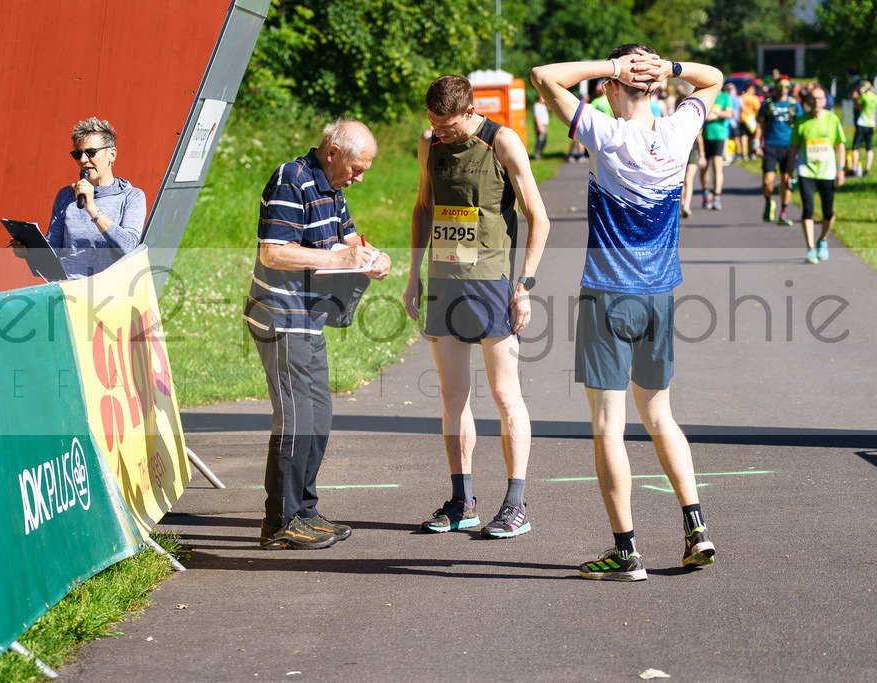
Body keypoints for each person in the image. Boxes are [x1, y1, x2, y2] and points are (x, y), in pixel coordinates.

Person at [532, 45, 722, 581]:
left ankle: (626, 551)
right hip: (660, 294)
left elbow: (544, 74)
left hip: (608, 294)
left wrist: (611, 67)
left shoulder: (606, 133)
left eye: (610, 82)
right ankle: (696, 529)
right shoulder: (679, 130)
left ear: (616, 87)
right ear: (656, 87)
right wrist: (671, 70)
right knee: (660, 416)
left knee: (608, 427)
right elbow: (714, 78)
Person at [404, 74, 550, 539]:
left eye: (448, 126)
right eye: (434, 124)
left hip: (493, 284)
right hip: (445, 281)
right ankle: (461, 499)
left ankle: (515, 503)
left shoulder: (502, 142)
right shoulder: (431, 144)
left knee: (507, 396)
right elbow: (424, 207)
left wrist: (524, 285)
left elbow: (538, 218)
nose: (440, 133)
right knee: (452, 396)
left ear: (471, 111)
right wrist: (413, 273)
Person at [243, 119, 391, 550]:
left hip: (309, 317)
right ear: (332, 153)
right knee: (295, 419)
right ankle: (280, 522)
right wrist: (343, 261)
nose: (360, 178)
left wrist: (371, 256)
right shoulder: (293, 179)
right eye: (357, 168)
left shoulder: (333, 188)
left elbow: (348, 241)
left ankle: (304, 509)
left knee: (319, 415)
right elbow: (274, 251)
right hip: (279, 315)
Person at [11, 117, 145, 278]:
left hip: (107, 290)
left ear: (112, 154)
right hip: (66, 287)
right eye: (77, 154)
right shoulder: (66, 196)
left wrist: (93, 209)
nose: (83, 160)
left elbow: (129, 246)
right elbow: (52, 249)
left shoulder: (131, 196)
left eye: (91, 153)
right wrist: (30, 252)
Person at [787, 87, 846, 264]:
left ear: (825, 100)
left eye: (820, 98)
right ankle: (811, 248)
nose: (816, 102)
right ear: (807, 102)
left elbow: (840, 145)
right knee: (808, 208)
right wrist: (789, 173)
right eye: (813, 99)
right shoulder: (801, 122)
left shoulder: (832, 119)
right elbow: (794, 149)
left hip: (827, 171)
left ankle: (823, 240)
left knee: (828, 212)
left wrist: (841, 169)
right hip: (806, 170)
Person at [757, 80, 803, 225]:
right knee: (767, 182)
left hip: (788, 146)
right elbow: (760, 123)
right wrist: (756, 143)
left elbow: (800, 125)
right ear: (775, 88)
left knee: (786, 181)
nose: (783, 89)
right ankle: (769, 202)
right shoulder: (768, 103)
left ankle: (783, 213)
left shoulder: (794, 104)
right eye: (780, 86)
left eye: (786, 86)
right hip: (770, 145)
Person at [700, 80, 732, 210]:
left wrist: (716, 113)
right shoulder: (706, 95)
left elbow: (729, 114)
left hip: (719, 135)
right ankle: (706, 193)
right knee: (704, 167)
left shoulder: (725, 97)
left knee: (717, 165)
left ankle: (717, 197)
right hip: (705, 135)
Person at [849, 81, 877, 177]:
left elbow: (858, 106)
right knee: (869, 148)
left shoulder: (864, 97)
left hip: (862, 123)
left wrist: (861, 95)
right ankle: (867, 170)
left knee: (855, 147)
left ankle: (854, 169)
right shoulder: (876, 98)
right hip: (871, 124)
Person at [739, 82, 761, 160]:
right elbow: (757, 108)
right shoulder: (754, 97)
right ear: (749, 89)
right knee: (751, 137)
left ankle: (744, 155)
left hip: (742, 118)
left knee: (743, 137)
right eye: (753, 89)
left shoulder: (741, 97)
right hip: (751, 120)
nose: (754, 91)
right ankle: (751, 153)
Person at [533, 94, 550, 160]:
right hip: (540, 125)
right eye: (542, 98)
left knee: (544, 141)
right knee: (540, 140)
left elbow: (548, 109)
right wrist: (539, 127)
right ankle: (537, 154)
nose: (544, 99)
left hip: (544, 125)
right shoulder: (537, 106)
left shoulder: (543, 106)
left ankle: (540, 153)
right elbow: (536, 117)